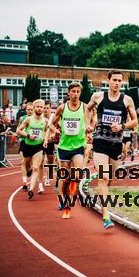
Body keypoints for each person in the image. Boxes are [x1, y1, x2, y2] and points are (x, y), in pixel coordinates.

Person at [87, 70, 138, 229]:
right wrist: (87, 124)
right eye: (114, 80)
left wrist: (122, 126)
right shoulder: (98, 97)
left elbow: (135, 121)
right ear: (108, 81)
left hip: (116, 143)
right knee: (103, 177)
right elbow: (87, 109)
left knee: (109, 179)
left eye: (119, 80)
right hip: (100, 141)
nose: (117, 83)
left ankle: (102, 198)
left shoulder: (127, 100)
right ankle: (106, 214)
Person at [49, 82, 91, 219]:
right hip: (64, 147)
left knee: (77, 176)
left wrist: (88, 128)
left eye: (78, 91)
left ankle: (69, 195)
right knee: (65, 179)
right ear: (69, 93)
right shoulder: (62, 108)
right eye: (73, 91)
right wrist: (55, 131)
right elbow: (51, 123)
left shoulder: (85, 107)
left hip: (78, 146)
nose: (75, 94)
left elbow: (88, 123)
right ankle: (66, 206)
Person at [18, 99, 47, 199]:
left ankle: (31, 190)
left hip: (38, 147)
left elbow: (47, 131)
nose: (40, 108)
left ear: (43, 109)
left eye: (41, 107)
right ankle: (28, 169)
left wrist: (46, 139)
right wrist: (28, 135)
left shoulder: (45, 121)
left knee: (36, 168)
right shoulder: (28, 119)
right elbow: (18, 130)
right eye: (38, 107)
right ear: (34, 108)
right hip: (27, 146)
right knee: (27, 167)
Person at [18, 103, 34, 190]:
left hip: (33, 142)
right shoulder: (22, 118)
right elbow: (18, 129)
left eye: (32, 109)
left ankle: (30, 169)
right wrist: (20, 133)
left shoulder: (36, 119)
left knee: (30, 163)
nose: (30, 111)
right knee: (23, 161)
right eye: (28, 109)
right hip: (24, 141)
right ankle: (24, 182)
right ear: (26, 110)